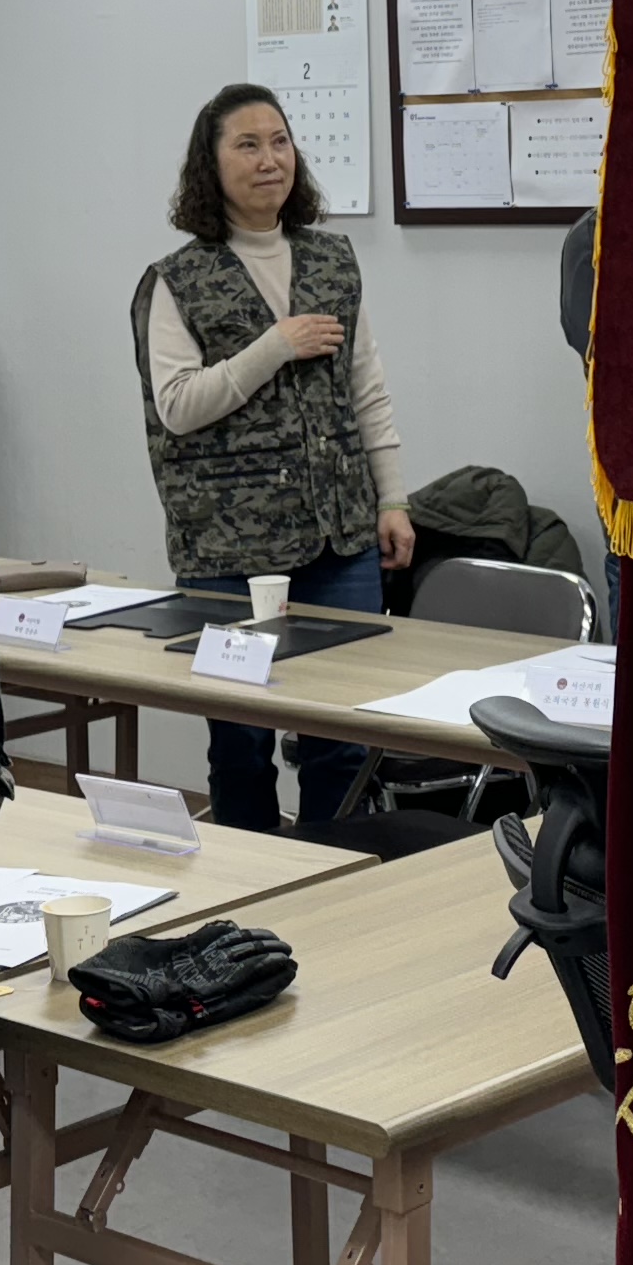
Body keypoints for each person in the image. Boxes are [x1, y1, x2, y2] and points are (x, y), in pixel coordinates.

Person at [129, 84, 416, 832]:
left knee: (341, 736)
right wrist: (274, 347)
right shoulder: (176, 279)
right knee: (240, 742)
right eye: (248, 145)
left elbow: (366, 388)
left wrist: (393, 499)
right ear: (211, 163)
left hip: (338, 538)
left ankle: (337, 874)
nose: (269, 160)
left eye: (280, 142)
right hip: (228, 547)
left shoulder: (332, 259)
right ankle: (250, 881)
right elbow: (177, 405)